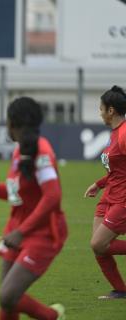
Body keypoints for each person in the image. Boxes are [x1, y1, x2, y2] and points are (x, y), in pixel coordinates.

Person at [0, 97, 67, 319]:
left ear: (14, 123)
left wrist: (21, 232)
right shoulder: (20, 151)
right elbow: (12, 193)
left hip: (43, 233)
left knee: (8, 296)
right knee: (7, 301)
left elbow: (53, 196)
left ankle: (53, 316)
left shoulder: (42, 150)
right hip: (18, 229)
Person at [83, 85, 126, 300]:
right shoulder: (114, 134)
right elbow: (117, 170)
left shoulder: (124, 134)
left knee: (98, 243)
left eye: (101, 109)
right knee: (99, 248)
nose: (99, 112)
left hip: (123, 199)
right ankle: (121, 290)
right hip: (109, 195)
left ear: (111, 111)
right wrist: (99, 184)